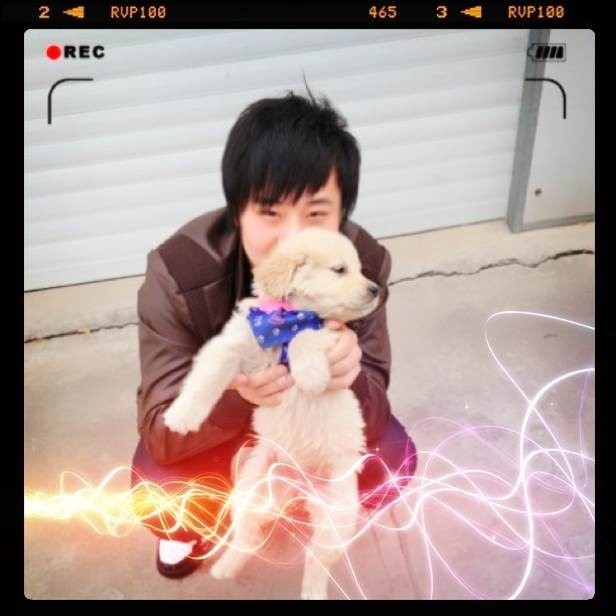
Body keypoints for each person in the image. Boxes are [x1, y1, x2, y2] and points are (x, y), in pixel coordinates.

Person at [131, 90, 418, 579]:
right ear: (237, 210)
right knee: (160, 488)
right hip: (223, 426)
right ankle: (194, 527)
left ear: (341, 215)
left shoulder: (361, 265)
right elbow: (162, 431)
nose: (293, 239)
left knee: (391, 460)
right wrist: (237, 395)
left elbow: (373, 405)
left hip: (309, 421)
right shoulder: (177, 274)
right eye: (270, 213)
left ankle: (297, 502)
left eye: (316, 213)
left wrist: (350, 375)